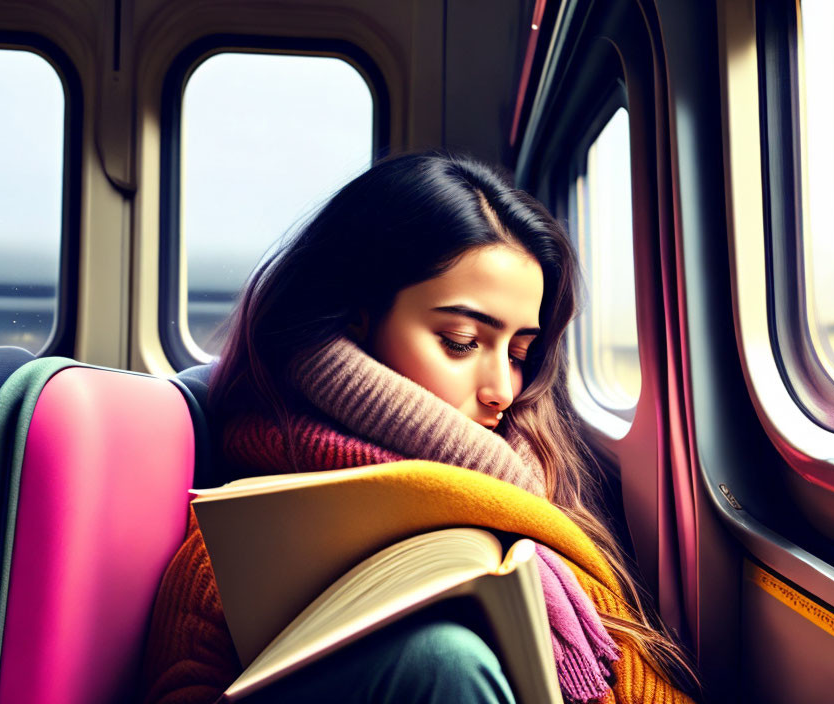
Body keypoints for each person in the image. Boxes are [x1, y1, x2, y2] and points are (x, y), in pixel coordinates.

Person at [141, 152, 697, 703]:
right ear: (357, 320)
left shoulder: (536, 492)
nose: (502, 389)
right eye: (462, 342)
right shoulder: (237, 546)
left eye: (520, 352)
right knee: (440, 661)